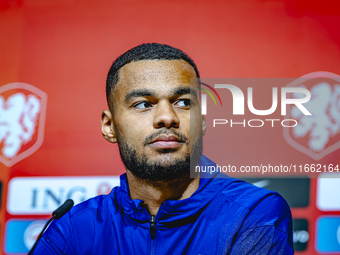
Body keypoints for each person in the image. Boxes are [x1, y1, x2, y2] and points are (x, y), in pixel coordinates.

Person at [33, 43, 294, 254]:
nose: (167, 117)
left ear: (201, 122)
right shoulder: (73, 228)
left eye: (182, 102)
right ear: (109, 126)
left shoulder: (251, 212)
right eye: (144, 104)